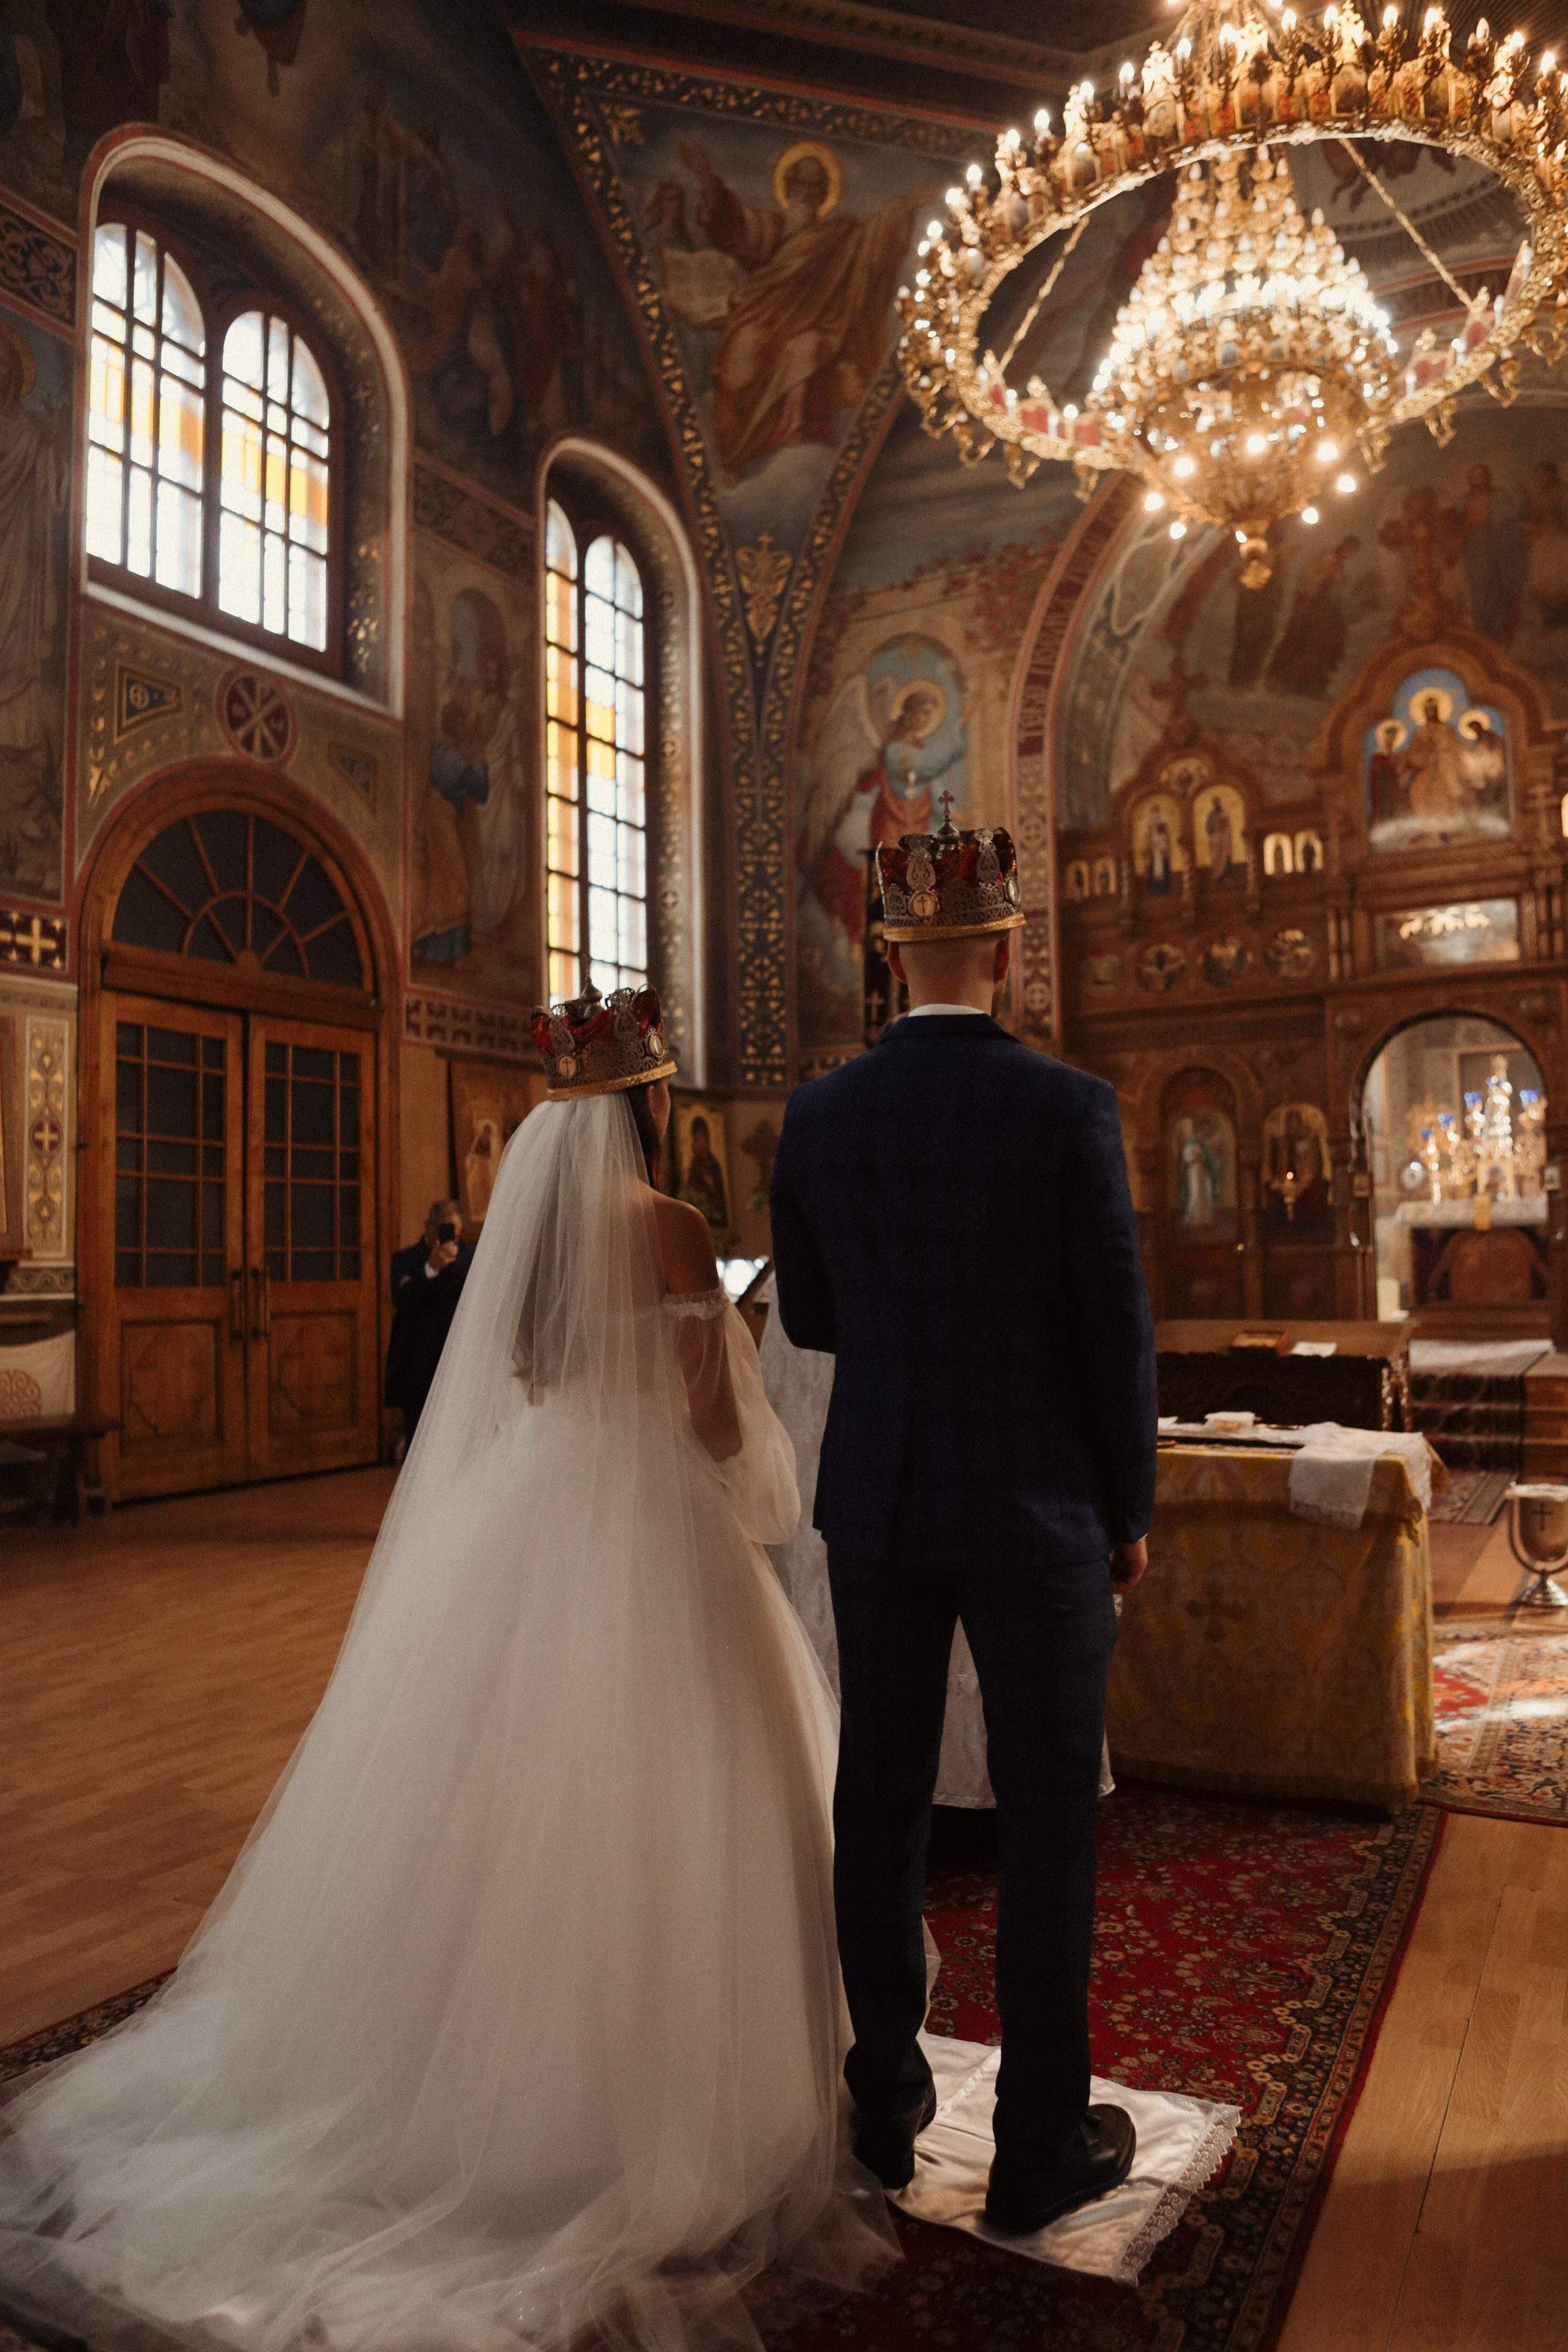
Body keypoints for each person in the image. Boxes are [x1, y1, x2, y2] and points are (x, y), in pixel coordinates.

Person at [0, 984, 893, 2351]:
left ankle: (446, 2074)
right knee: (678, 1782)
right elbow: (715, 1418)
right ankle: (647, 2097)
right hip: (645, 1517)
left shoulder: (517, 1231)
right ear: (651, 1103)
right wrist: (727, 1431)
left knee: (487, 1790)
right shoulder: (671, 1229)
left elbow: (525, 1378)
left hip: (536, 1506)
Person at [770, 811, 1158, 2237]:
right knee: (1047, 1812)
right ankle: (1038, 2141)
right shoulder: (1068, 1109)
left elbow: (809, 1316)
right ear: (1003, 949)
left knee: (873, 1797)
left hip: (877, 1495)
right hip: (1037, 1500)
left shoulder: (819, 1112)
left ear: (883, 950)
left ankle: (880, 2099)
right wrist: (1125, 1507)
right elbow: (1112, 1330)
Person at [384, 1196, 475, 1448]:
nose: (445, 1235)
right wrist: (430, 1269)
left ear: (461, 1230)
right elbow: (401, 1299)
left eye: (452, 1230)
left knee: (459, 1443)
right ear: (427, 1226)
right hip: (417, 1365)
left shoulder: (473, 1257)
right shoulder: (405, 1259)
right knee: (419, 1441)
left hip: (460, 1361)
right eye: (440, 1227)